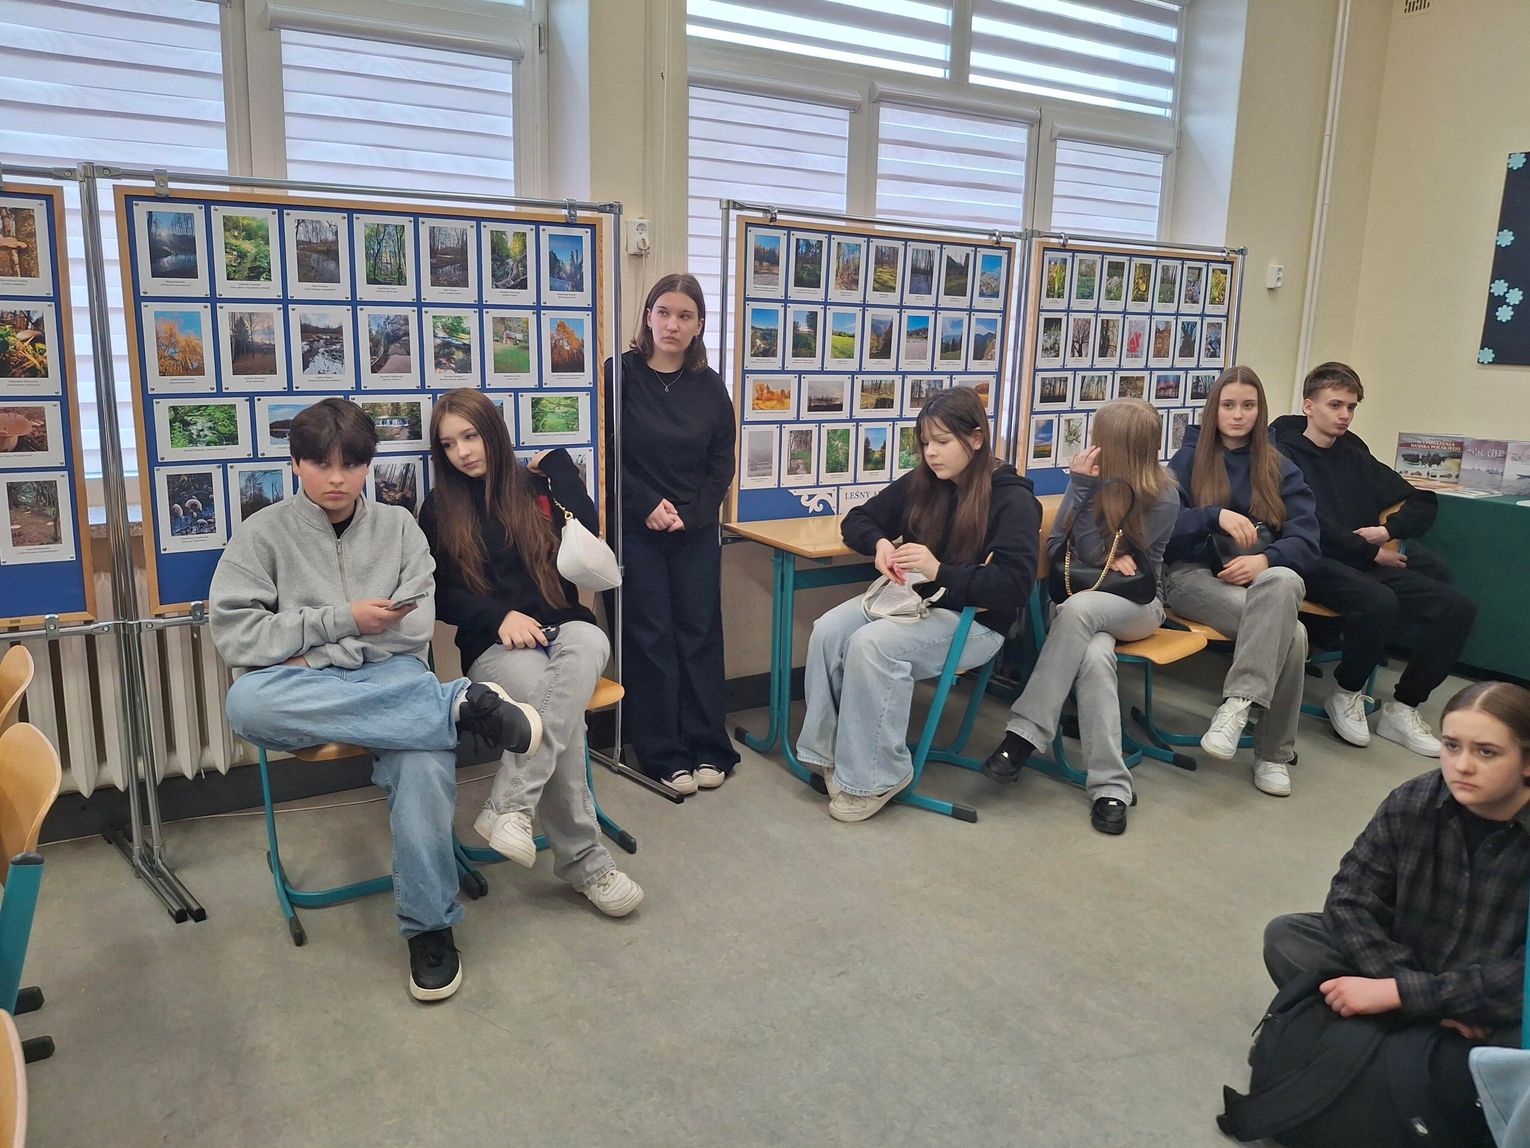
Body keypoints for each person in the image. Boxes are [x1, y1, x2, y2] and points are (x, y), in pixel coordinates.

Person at [210, 398, 542, 1003]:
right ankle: (455, 707)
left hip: (391, 678)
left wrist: (310, 649)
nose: (337, 479)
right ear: (296, 464)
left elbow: (411, 630)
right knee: (246, 704)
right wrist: (344, 623)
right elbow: (236, 636)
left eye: (352, 465)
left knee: (423, 766)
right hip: (313, 690)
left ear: (368, 466)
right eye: (322, 464)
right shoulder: (261, 534)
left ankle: (430, 927)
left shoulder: (399, 528)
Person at [419, 389, 643, 919]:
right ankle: (588, 865)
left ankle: (509, 805)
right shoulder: (439, 508)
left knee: (588, 646)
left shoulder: (538, 488)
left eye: (471, 436)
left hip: (568, 627)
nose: (462, 452)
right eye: (448, 444)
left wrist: (561, 467)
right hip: (496, 644)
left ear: (493, 433)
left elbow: (589, 535)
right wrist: (498, 615)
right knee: (558, 712)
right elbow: (437, 594)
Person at [796, 387, 1040, 823]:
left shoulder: (1012, 498)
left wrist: (938, 569)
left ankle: (876, 776)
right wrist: (880, 543)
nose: (931, 453)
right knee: (829, 629)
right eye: (925, 442)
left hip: (975, 621)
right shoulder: (925, 482)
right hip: (912, 601)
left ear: (977, 439)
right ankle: (828, 755)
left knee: (871, 645)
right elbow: (858, 520)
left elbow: (1012, 587)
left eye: (943, 442)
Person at [1262, 680, 1530, 1049]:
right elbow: (1348, 900)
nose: (1462, 766)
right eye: (1452, 746)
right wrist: (1407, 990)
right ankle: (1439, 1038)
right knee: (1289, 939)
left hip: (1489, 994)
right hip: (1409, 970)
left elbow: (1522, 975)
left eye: (1486, 752)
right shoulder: (1413, 800)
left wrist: (1401, 995)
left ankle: (1392, 1030)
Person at [982, 399, 1180, 835]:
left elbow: (1106, 557)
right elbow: (1059, 546)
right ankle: (1112, 789)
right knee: (1094, 657)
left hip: (1139, 605)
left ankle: (1024, 735)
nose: (1091, 444)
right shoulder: (1087, 483)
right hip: (1083, 609)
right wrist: (1083, 492)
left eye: (1098, 437)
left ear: (1118, 446)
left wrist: (1092, 512)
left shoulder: (1164, 496)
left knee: (1078, 610)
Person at [1271, 361, 1477, 758]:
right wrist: (1369, 551)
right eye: (1335, 405)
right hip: (1312, 561)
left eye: (1351, 407)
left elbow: (1422, 501)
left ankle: (1403, 708)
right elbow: (1310, 524)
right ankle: (1346, 692)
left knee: (1458, 608)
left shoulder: (1354, 453)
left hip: (1365, 559)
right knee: (1378, 601)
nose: (1345, 415)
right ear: (1309, 406)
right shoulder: (1283, 456)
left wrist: (1386, 531)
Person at [603, 273, 738, 795]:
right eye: (663, 312)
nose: (672, 324)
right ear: (647, 316)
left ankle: (708, 745)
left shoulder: (710, 385)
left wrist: (693, 514)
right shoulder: (619, 375)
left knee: (700, 634)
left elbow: (720, 461)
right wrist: (645, 506)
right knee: (650, 637)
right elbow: (607, 453)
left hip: (694, 529)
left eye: (685, 316)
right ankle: (662, 751)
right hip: (636, 529)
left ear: (699, 325)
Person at [1163, 365, 1320, 796]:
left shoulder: (1279, 466)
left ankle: (1237, 705)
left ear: (1260, 411)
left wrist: (1266, 560)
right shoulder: (1188, 460)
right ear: (1213, 410)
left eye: (1248, 406)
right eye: (1228, 405)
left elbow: (1308, 541)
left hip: (1260, 585)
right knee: (1294, 635)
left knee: (1284, 582)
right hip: (1191, 577)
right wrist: (1213, 516)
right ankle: (1274, 754)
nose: (1237, 415)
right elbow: (1162, 528)